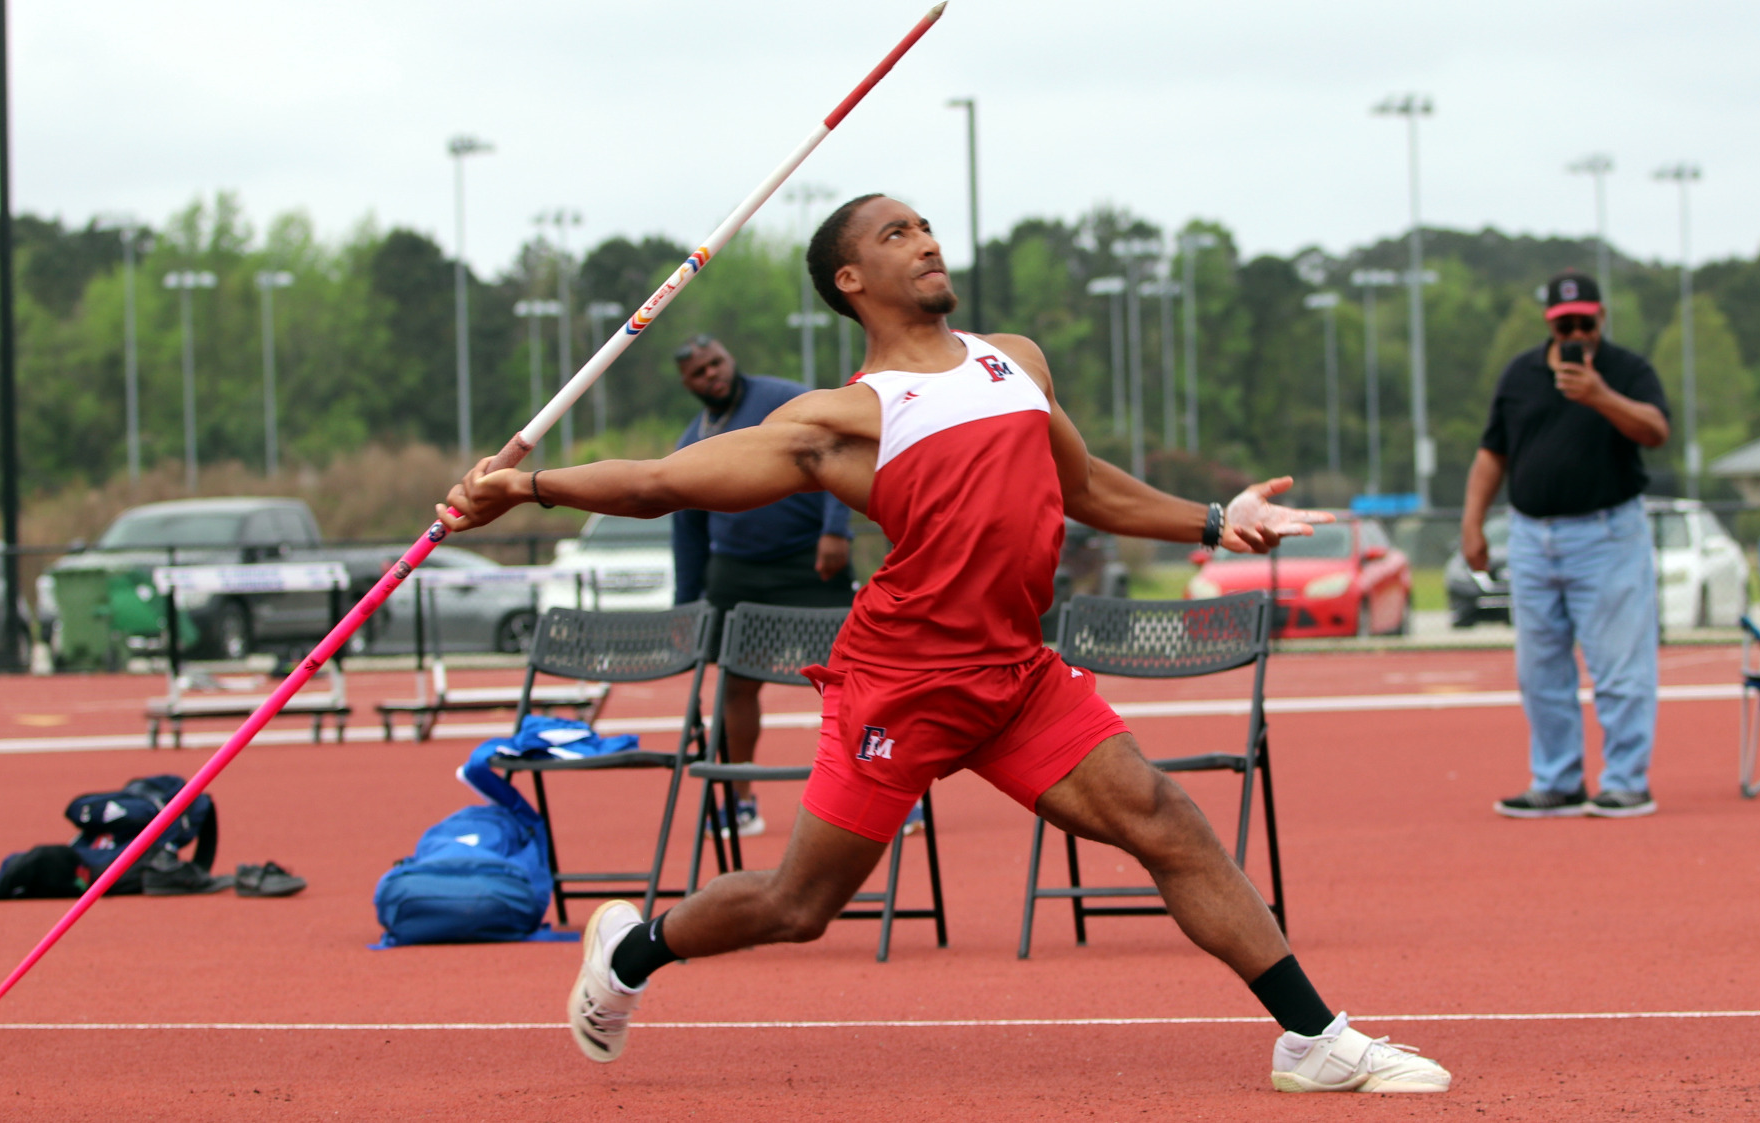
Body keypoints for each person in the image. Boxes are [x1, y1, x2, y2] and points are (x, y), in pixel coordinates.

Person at [441, 193, 1452, 1095]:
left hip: (1015, 673)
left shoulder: (1013, 361)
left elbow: (1085, 485)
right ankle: (629, 954)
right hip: (902, 683)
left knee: (1165, 818)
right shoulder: (842, 420)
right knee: (799, 905)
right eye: (896, 233)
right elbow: (662, 481)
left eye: (923, 225)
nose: (925, 242)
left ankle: (1313, 1037)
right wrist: (525, 487)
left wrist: (1209, 519)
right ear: (851, 280)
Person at [1462, 271, 1671, 820]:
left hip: (1606, 535)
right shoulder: (1522, 373)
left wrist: (1600, 395)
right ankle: (1557, 780)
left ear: (1602, 317)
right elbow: (1493, 454)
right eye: (1565, 323)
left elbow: (1655, 430)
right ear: (1549, 323)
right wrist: (1472, 522)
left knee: (1619, 666)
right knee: (1540, 669)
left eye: (1586, 321)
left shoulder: (1627, 370)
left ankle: (1626, 781)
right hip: (1531, 535)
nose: (1577, 331)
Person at [670, 334, 857, 838]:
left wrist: (836, 529)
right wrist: (685, 605)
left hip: (811, 560)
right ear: (687, 384)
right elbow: (686, 530)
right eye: (699, 372)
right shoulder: (693, 440)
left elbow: (837, 446)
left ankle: (880, 792)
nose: (712, 375)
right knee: (734, 683)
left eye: (717, 362)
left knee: (854, 679)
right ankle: (741, 801)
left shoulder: (781, 398)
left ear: (731, 359)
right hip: (736, 570)